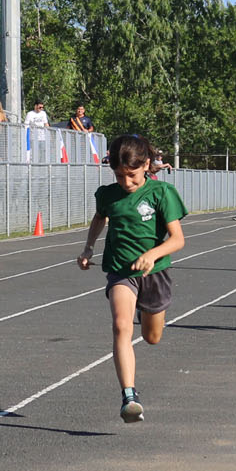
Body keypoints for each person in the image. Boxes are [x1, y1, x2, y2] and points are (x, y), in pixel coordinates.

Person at [77, 133, 187, 423]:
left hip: (155, 272)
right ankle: (129, 396)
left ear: (147, 165)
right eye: (119, 175)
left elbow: (177, 240)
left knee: (152, 337)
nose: (126, 182)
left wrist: (152, 255)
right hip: (121, 271)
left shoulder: (161, 193)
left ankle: (146, 312)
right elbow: (100, 217)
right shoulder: (108, 194)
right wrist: (89, 247)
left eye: (132, 175)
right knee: (121, 326)